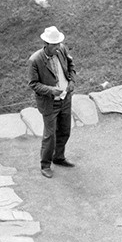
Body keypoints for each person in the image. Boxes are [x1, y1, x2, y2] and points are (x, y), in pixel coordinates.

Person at [28, 26, 77, 179]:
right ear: (46, 43)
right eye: (54, 44)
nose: (57, 47)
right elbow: (33, 84)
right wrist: (51, 90)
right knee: (50, 135)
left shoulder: (61, 50)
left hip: (65, 99)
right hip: (50, 103)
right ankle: (45, 165)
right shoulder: (35, 60)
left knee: (64, 130)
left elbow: (71, 66)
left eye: (58, 43)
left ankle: (59, 157)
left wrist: (72, 81)